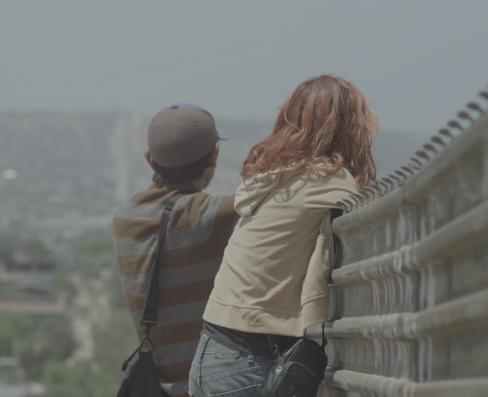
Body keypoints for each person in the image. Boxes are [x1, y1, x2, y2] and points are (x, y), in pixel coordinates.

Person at [188, 74, 378, 396]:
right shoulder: (326, 180)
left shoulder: (271, 175)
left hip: (213, 351)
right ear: (346, 127)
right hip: (248, 359)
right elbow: (367, 206)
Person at [113, 104, 239, 397]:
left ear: (149, 158)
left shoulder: (123, 219)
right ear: (214, 155)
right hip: (210, 385)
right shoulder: (212, 216)